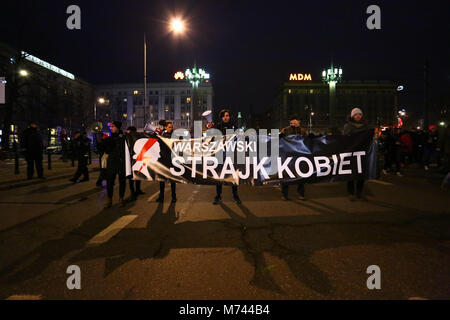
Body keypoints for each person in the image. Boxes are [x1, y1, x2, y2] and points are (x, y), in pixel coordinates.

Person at [213, 109, 241, 205]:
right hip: (220, 155)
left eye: (228, 115)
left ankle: (235, 196)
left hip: (231, 155)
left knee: (233, 175)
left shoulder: (233, 126)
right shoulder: (218, 126)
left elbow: (240, 136)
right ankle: (218, 196)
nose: (226, 117)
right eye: (224, 116)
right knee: (219, 176)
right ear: (221, 117)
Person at [343, 108, 370, 200]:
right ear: (352, 116)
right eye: (356, 114)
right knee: (351, 173)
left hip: (362, 153)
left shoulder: (365, 126)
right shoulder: (348, 126)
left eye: (360, 114)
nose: (358, 116)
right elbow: (346, 139)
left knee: (361, 174)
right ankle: (351, 193)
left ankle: (359, 192)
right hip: (352, 153)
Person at [279, 114, 306, 201]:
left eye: (298, 121)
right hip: (288, 156)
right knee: (286, 175)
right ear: (292, 121)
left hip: (299, 156)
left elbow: (305, 141)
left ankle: (301, 193)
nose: (298, 122)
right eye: (297, 120)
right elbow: (280, 140)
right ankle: (284, 194)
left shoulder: (302, 130)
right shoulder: (285, 130)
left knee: (300, 176)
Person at [103, 121, 127, 208]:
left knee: (122, 181)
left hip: (121, 162)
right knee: (110, 182)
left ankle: (121, 198)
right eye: (111, 127)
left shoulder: (123, 137)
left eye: (113, 127)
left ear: (117, 127)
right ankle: (109, 199)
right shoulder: (109, 138)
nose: (111, 128)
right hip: (112, 162)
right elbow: (105, 150)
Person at [155, 122, 177, 203]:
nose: (171, 128)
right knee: (162, 180)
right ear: (165, 127)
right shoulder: (162, 135)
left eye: (171, 127)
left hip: (171, 161)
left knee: (172, 180)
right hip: (163, 160)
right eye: (169, 127)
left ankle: (174, 196)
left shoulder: (173, 135)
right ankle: (161, 196)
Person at [125, 126, 145, 200]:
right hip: (131, 159)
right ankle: (133, 192)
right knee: (131, 177)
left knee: (137, 175)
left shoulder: (135, 138)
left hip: (136, 159)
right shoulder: (127, 138)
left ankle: (137, 190)